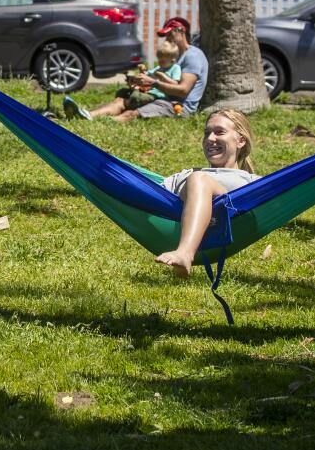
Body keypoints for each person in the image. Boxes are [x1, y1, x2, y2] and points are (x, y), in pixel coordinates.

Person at [154, 108, 258, 277]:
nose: (210, 139)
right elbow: (149, 193)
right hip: (182, 213)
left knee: (199, 179)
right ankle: (184, 253)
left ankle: (185, 253)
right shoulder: (184, 175)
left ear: (240, 141)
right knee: (197, 178)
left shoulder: (252, 182)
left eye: (219, 132)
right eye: (207, 133)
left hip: (227, 224)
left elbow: (285, 193)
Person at [67, 39, 183, 122]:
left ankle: (103, 119)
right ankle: (88, 115)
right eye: (159, 57)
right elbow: (145, 78)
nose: (160, 61)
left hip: (158, 98)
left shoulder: (175, 68)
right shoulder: (158, 68)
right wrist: (138, 75)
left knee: (130, 101)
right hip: (146, 94)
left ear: (172, 60)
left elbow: (175, 84)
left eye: (164, 59)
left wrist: (162, 77)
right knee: (121, 98)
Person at [131, 17, 207, 119]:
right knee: (120, 101)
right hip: (164, 98)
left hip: (179, 107)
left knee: (131, 114)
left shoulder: (192, 56)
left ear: (182, 32)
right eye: (166, 36)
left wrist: (153, 82)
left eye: (170, 34)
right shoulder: (174, 56)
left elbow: (183, 91)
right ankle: (102, 119)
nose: (167, 39)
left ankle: (105, 125)